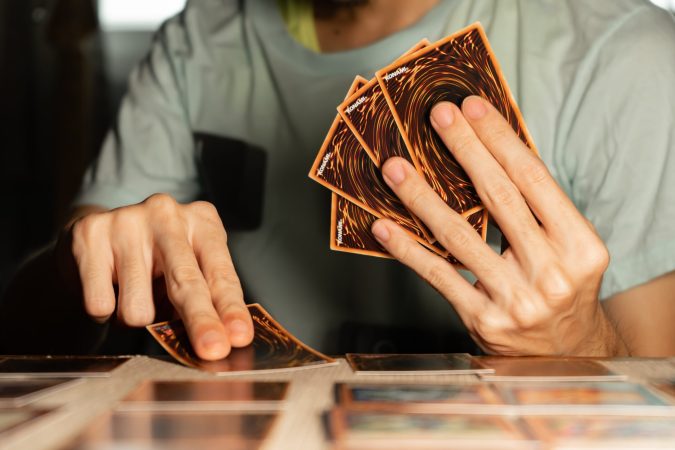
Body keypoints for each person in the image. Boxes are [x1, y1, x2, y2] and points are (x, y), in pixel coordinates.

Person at [1, 0, 674, 358]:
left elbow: (655, 398)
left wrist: (581, 347)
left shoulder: (625, 54)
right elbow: (28, 331)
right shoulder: (197, 36)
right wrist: (76, 264)